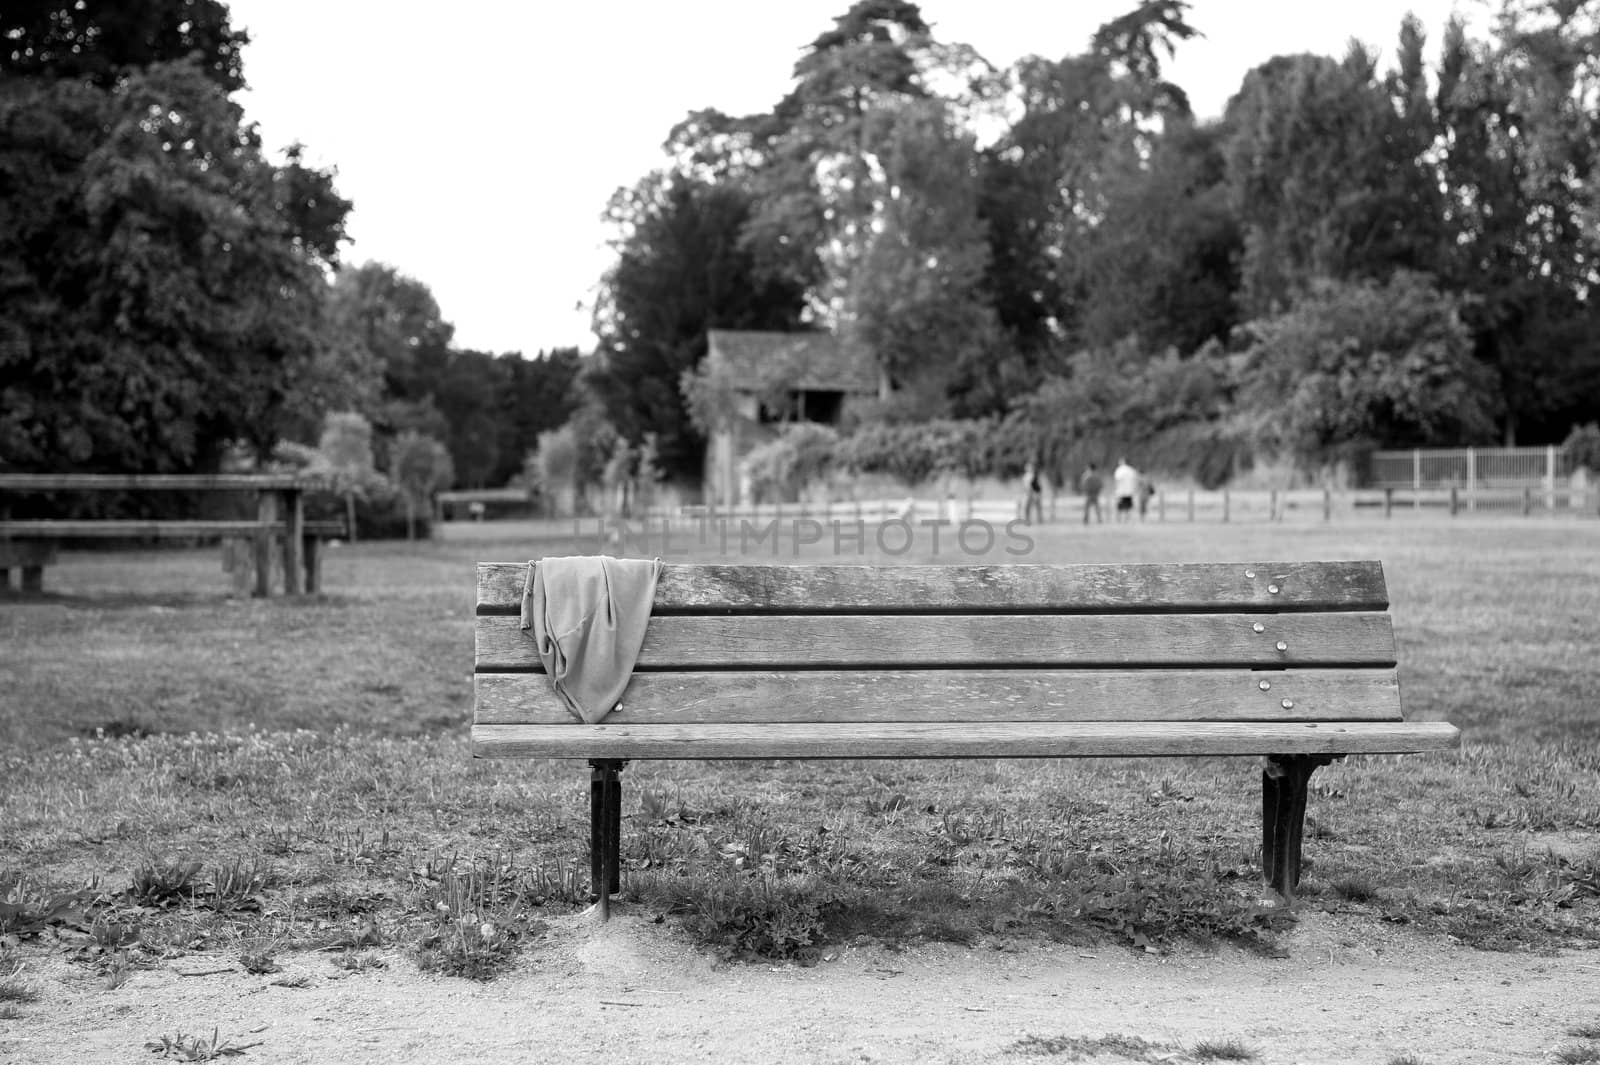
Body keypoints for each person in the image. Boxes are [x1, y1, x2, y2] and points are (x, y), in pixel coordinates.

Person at [1112, 457, 1139, 523]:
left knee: (1119, 507)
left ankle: (1119, 520)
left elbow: (1117, 480)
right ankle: (1127, 519)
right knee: (1128, 507)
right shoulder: (1131, 470)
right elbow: (1135, 480)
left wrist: (1115, 489)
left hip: (1121, 491)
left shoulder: (1119, 470)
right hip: (1129, 491)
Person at [1021, 460, 1044, 525]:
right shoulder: (1027, 475)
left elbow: (1035, 485)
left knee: (1037, 507)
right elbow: (1025, 485)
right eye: (1027, 467)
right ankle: (1027, 520)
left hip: (1033, 493)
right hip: (1028, 493)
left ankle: (1039, 520)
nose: (1028, 468)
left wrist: (1036, 492)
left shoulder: (1034, 475)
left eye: (1029, 467)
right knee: (1027, 508)